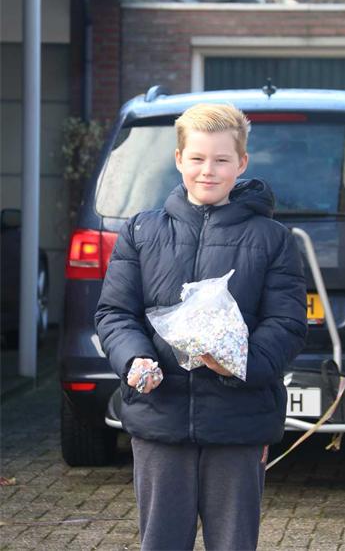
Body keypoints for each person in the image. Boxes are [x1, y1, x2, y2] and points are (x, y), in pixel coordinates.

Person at [95, 103, 307, 551]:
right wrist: (135, 360)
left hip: (238, 422)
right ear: (179, 159)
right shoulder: (141, 232)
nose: (208, 170)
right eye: (197, 158)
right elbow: (115, 313)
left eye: (221, 159)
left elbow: (287, 324)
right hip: (160, 416)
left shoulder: (273, 239)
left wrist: (238, 364)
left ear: (241, 163)